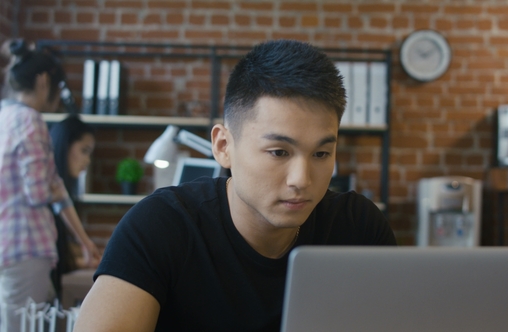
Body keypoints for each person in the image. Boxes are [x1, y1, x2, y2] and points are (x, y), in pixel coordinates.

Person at [74, 39, 397, 332]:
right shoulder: (162, 225)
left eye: (321, 153)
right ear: (224, 146)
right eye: (279, 152)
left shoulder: (358, 228)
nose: (301, 179)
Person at [0, 39, 101, 331]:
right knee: (23, 326)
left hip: (6, 245)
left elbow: (55, 188)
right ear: (44, 81)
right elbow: (40, 191)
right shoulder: (30, 121)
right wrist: (51, 189)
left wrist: (83, 240)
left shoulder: (3, 117)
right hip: (26, 247)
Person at [49, 114, 97, 300]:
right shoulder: (50, 194)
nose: (88, 160)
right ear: (64, 146)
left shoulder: (63, 194)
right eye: (84, 151)